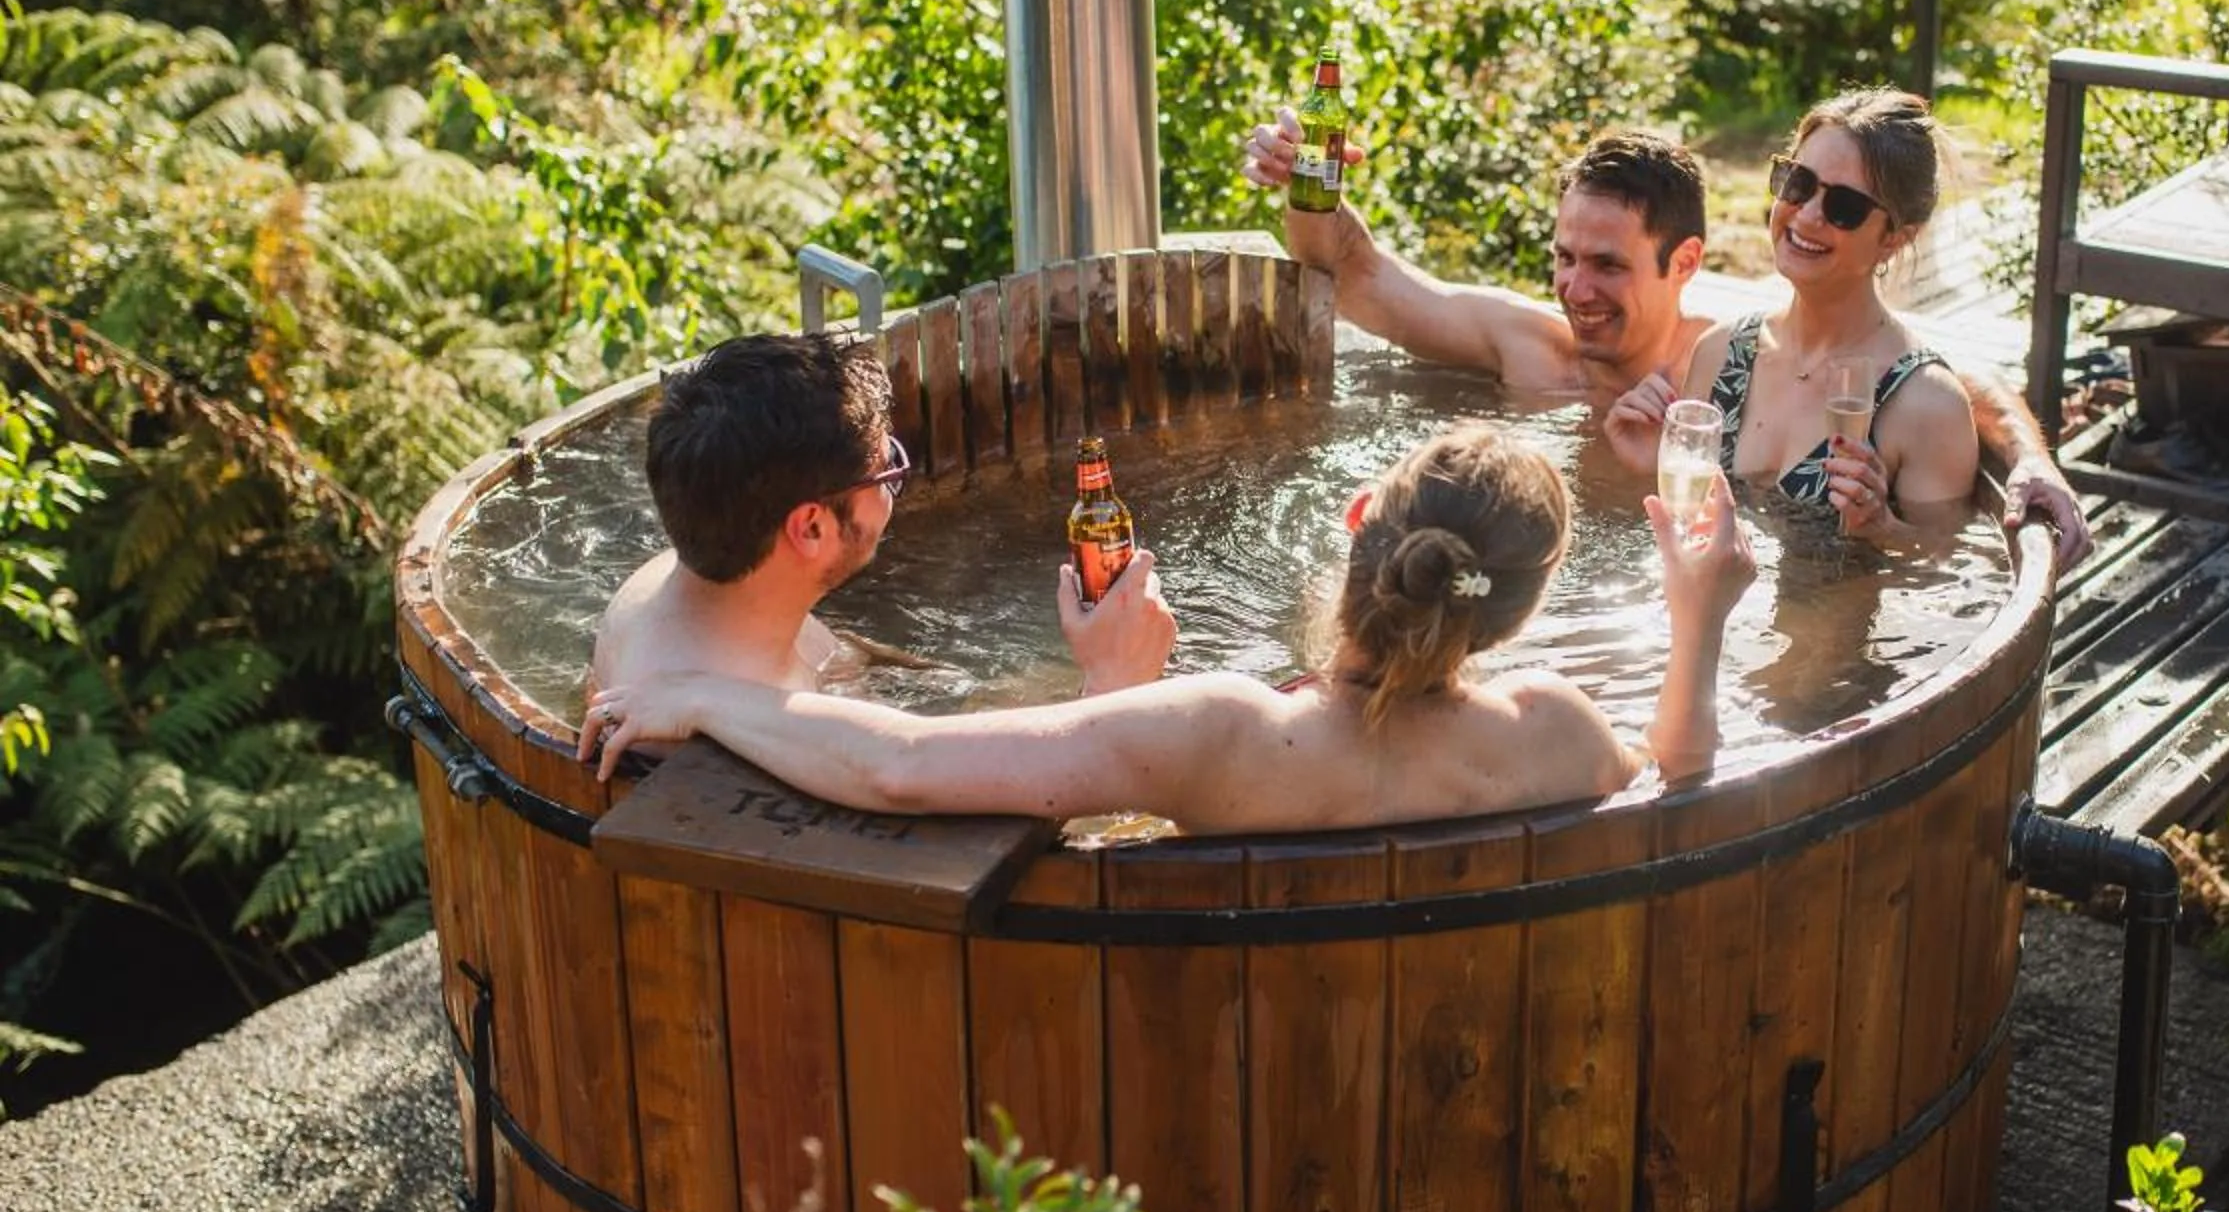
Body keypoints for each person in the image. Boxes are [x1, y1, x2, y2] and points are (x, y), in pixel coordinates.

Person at [579, 425, 1759, 832]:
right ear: (1513, 611)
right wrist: (1695, 621)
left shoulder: (1227, 731)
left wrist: (711, 694)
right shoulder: (1556, 729)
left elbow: (902, 768)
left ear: (1359, 517)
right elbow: (1681, 775)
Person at [1244, 108, 2093, 569]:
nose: (1576, 290)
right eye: (1796, 183)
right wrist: (1307, 183)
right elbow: (1353, 274)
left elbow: (1941, 409)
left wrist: (2023, 458)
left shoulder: (1710, 353)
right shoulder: (1685, 355)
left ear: (1684, 262)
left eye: (1608, 265)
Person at [588, 331, 1173, 703]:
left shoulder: (689, 587)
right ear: (811, 527)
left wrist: (976, 688)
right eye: (886, 470)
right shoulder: (754, 720)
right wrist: (1113, 685)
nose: (898, 481)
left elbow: (841, 661)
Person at [1605, 88, 1985, 544]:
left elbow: (1946, 570)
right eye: (1798, 183)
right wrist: (1644, 470)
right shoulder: (1721, 355)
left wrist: (1884, 531)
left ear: (1895, 238)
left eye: (1844, 207)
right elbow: (1687, 535)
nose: (1806, 216)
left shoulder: (1927, 405)